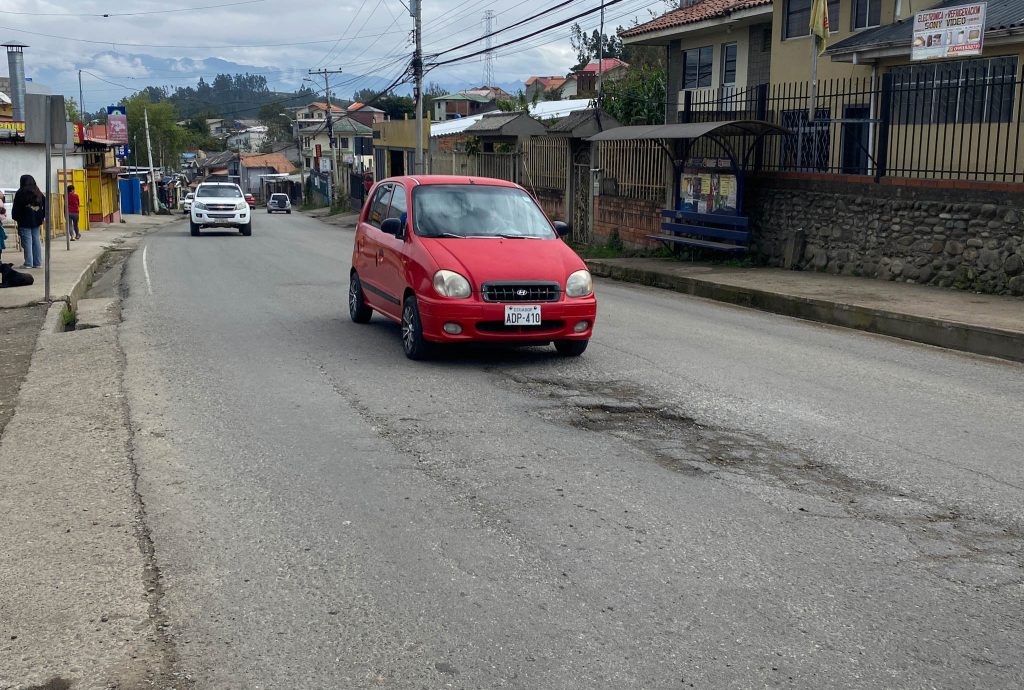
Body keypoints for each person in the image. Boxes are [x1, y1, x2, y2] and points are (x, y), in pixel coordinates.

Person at [11, 174, 45, 269]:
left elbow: (16, 208)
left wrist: (16, 217)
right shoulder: (38, 192)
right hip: (37, 220)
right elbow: (46, 203)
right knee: (36, 240)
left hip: (24, 221)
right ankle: (37, 263)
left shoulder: (20, 192)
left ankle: (28, 263)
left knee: (27, 242)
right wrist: (42, 215)